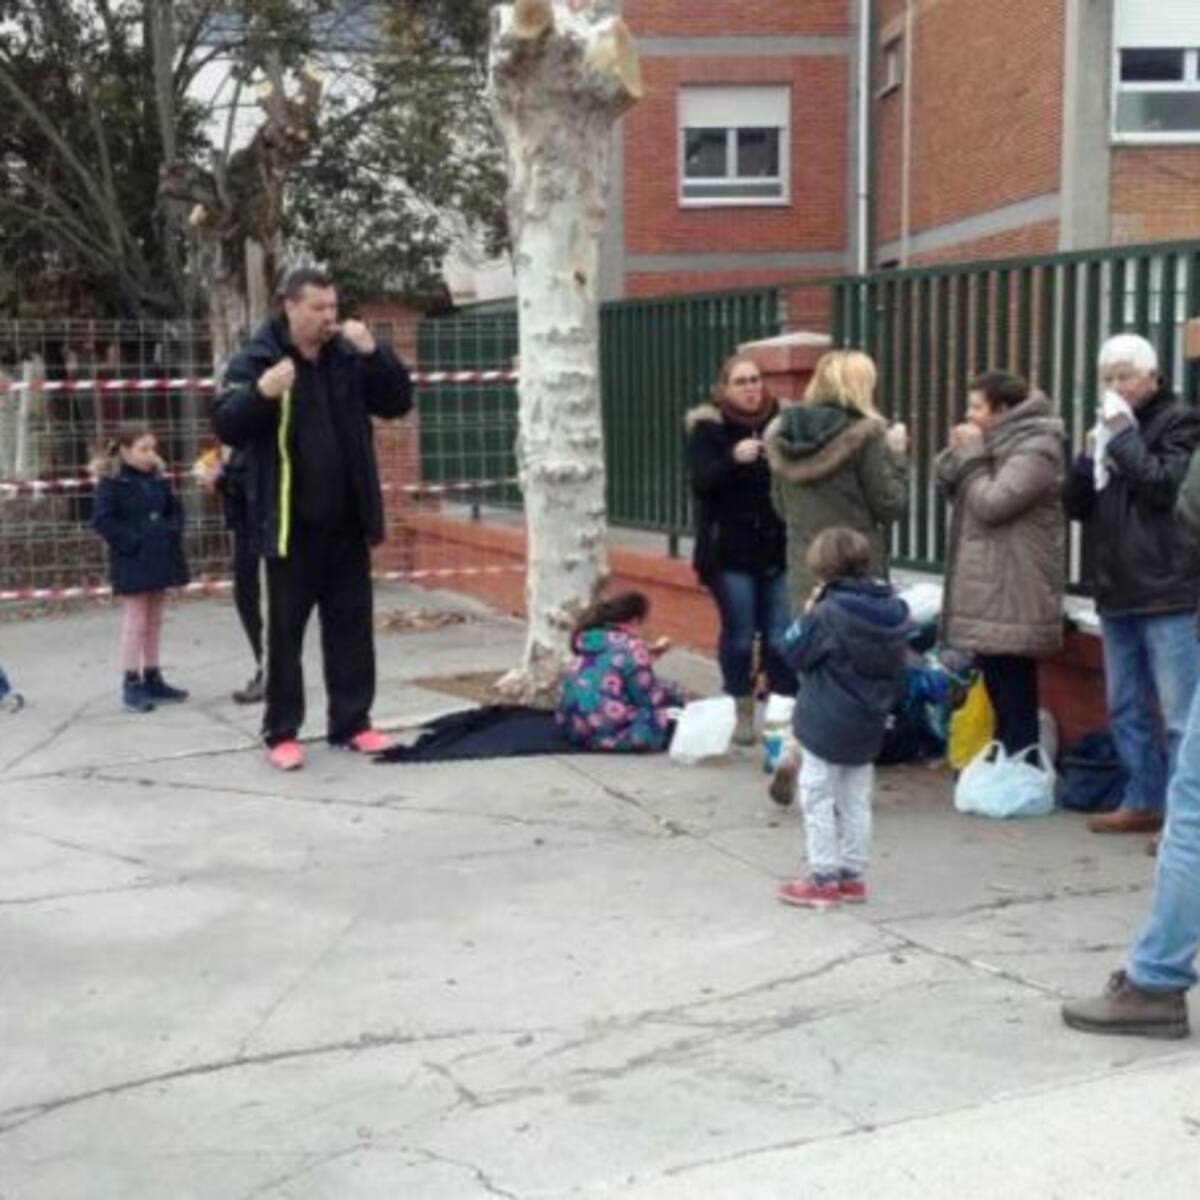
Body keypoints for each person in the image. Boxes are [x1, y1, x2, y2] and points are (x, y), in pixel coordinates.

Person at [213, 266, 413, 771]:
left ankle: (353, 722)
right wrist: (261, 393)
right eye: (318, 308)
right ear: (290, 307)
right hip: (288, 527)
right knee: (284, 635)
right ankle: (281, 731)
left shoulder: (347, 354)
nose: (329, 317)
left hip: (347, 522)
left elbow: (397, 402)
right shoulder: (258, 359)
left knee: (351, 629)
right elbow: (227, 424)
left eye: (333, 307)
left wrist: (376, 353)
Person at [1060, 446, 1200, 1039]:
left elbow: (1190, 503)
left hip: (1155, 591)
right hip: (1133, 590)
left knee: (1193, 816)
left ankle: (1156, 981)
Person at [1064, 333, 1200, 835]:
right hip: (1117, 588)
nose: (1116, 387)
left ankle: (1184, 821)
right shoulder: (1111, 430)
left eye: (1125, 376)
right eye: (1108, 378)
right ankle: (1143, 798)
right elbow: (1077, 506)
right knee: (1125, 706)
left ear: (1152, 377)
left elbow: (1164, 487)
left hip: (1167, 587)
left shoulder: (1180, 421)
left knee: (1181, 714)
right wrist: (1087, 458)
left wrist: (1122, 436)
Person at [776, 527, 911, 909]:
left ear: (822, 569)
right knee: (856, 799)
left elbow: (792, 650)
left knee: (817, 797)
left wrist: (807, 612)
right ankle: (852, 874)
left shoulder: (827, 613)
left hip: (826, 718)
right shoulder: (894, 611)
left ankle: (823, 877)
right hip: (870, 718)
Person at [936, 372, 1066, 755]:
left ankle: (1021, 763)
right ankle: (1006, 762)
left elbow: (993, 503)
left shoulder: (1037, 446)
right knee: (994, 678)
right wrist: (956, 454)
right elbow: (951, 486)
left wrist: (973, 457)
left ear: (1004, 409)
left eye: (977, 407)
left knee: (1013, 684)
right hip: (990, 584)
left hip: (1016, 582)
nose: (968, 414)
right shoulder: (991, 442)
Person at [686, 355, 796, 747]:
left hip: (777, 548)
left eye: (755, 379)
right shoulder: (708, 429)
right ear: (725, 388)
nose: (751, 388)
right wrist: (732, 459)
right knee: (740, 635)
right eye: (741, 381)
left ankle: (780, 715)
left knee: (780, 637)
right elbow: (702, 482)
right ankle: (742, 706)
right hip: (729, 552)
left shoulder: (781, 423)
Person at [764, 349, 909, 618]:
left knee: (813, 639)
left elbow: (780, 506)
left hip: (806, 568)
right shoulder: (866, 435)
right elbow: (889, 506)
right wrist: (897, 457)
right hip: (857, 571)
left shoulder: (785, 432)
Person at [91, 424, 190, 714]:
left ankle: (153, 676)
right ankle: (131, 682)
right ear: (124, 450)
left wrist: (170, 531)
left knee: (155, 618)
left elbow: (174, 509)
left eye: (152, 448)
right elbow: (102, 520)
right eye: (143, 449)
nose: (150, 454)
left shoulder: (157, 477)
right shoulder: (112, 482)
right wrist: (133, 541)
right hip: (132, 560)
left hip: (161, 556)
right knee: (135, 620)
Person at [556, 591, 684, 752]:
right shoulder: (632, 647)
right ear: (635, 620)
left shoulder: (589, 639)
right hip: (605, 727)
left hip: (572, 726)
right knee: (673, 718)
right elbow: (649, 697)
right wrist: (675, 694)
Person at [197, 445, 264, 704]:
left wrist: (221, 480)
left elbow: (253, 487)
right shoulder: (236, 446)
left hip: (258, 532)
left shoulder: (253, 443)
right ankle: (265, 666)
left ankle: (270, 670)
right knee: (247, 600)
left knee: (257, 602)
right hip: (245, 529)